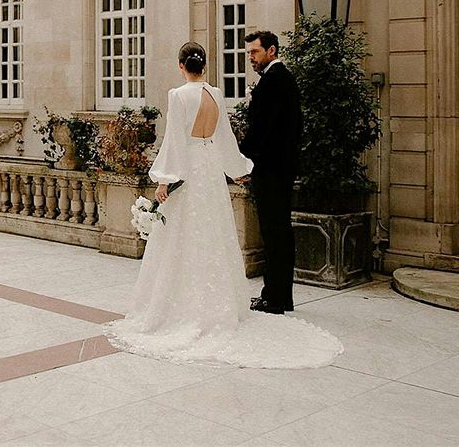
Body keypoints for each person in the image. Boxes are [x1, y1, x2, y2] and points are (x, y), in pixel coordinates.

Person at [106, 43, 340, 368]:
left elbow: (173, 140)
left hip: (188, 170)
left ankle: (181, 311)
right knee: (213, 235)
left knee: (183, 240)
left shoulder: (178, 96)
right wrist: (239, 170)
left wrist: (164, 179)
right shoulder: (216, 94)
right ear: (204, 65)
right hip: (211, 174)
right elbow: (226, 139)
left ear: (180, 65)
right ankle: (219, 307)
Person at [236, 30, 301, 315]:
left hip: (272, 170)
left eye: (255, 52)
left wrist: (243, 162)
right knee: (280, 233)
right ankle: (280, 296)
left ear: (271, 51)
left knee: (273, 234)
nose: (251, 57)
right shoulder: (282, 79)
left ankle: (274, 298)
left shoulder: (273, 82)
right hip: (281, 167)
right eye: (249, 52)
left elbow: (262, 132)